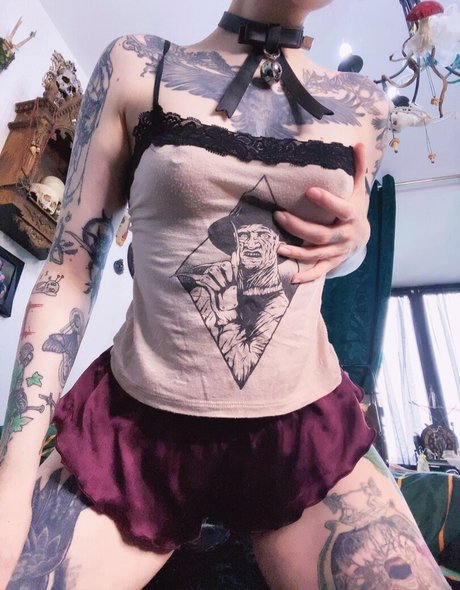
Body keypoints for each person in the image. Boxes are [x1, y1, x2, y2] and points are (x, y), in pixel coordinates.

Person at [0, 0, 450, 588]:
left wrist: (359, 238)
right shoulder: (136, 65)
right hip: (137, 431)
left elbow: (339, 259)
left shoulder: (366, 105)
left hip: (303, 431)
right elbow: (69, 268)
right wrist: (11, 479)